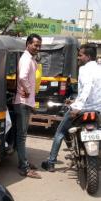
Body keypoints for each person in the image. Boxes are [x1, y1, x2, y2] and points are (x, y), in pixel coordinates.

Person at [42, 44, 101, 172]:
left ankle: (51, 162)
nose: (78, 58)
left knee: (60, 133)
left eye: (80, 55)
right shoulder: (99, 69)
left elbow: (87, 88)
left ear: (88, 57)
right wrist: (75, 100)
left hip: (82, 110)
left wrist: (77, 106)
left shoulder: (85, 70)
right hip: (97, 110)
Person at [13, 33, 42, 179]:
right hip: (22, 103)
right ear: (28, 44)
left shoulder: (30, 59)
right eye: (35, 45)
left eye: (39, 45)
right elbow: (23, 77)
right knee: (22, 136)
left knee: (22, 135)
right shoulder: (26, 59)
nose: (38, 47)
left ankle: (23, 162)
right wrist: (29, 91)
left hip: (25, 102)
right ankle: (24, 167)